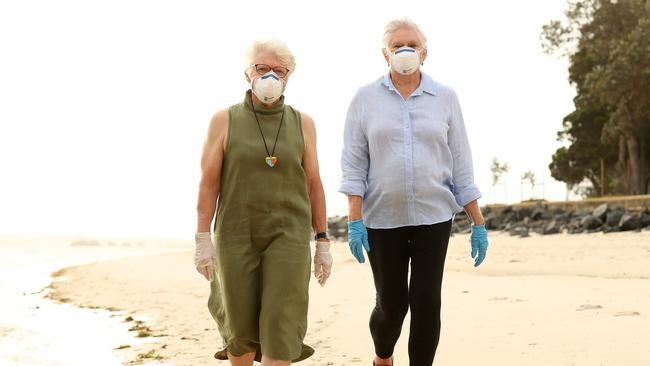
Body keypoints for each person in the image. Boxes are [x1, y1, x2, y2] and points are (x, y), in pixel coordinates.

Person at [339, 18, 489, 366]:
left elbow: (461, 164)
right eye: (396, 45)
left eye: (411, 45)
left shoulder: (446, 98)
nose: (404, 51)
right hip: (382, 219)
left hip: (433, 217)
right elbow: (354, 164)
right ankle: (383, 356)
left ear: (425, 52)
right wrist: (354, 220)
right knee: (391, 306)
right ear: (384, 54)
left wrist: (477, 222)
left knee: (426, 301)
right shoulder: (364, 99)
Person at [194, 39, 332, 366]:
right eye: (262, 68)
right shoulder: (223, 121)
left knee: (281, 323)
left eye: (278, 70)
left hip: (289, 235)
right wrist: (202, 238)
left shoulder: (304, 123)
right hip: (235, 234)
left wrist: (323, 240)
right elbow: (209, 182)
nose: (270, 75)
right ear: (247, 74)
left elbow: (314, 183)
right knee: (239, 328)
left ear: (288, 78)